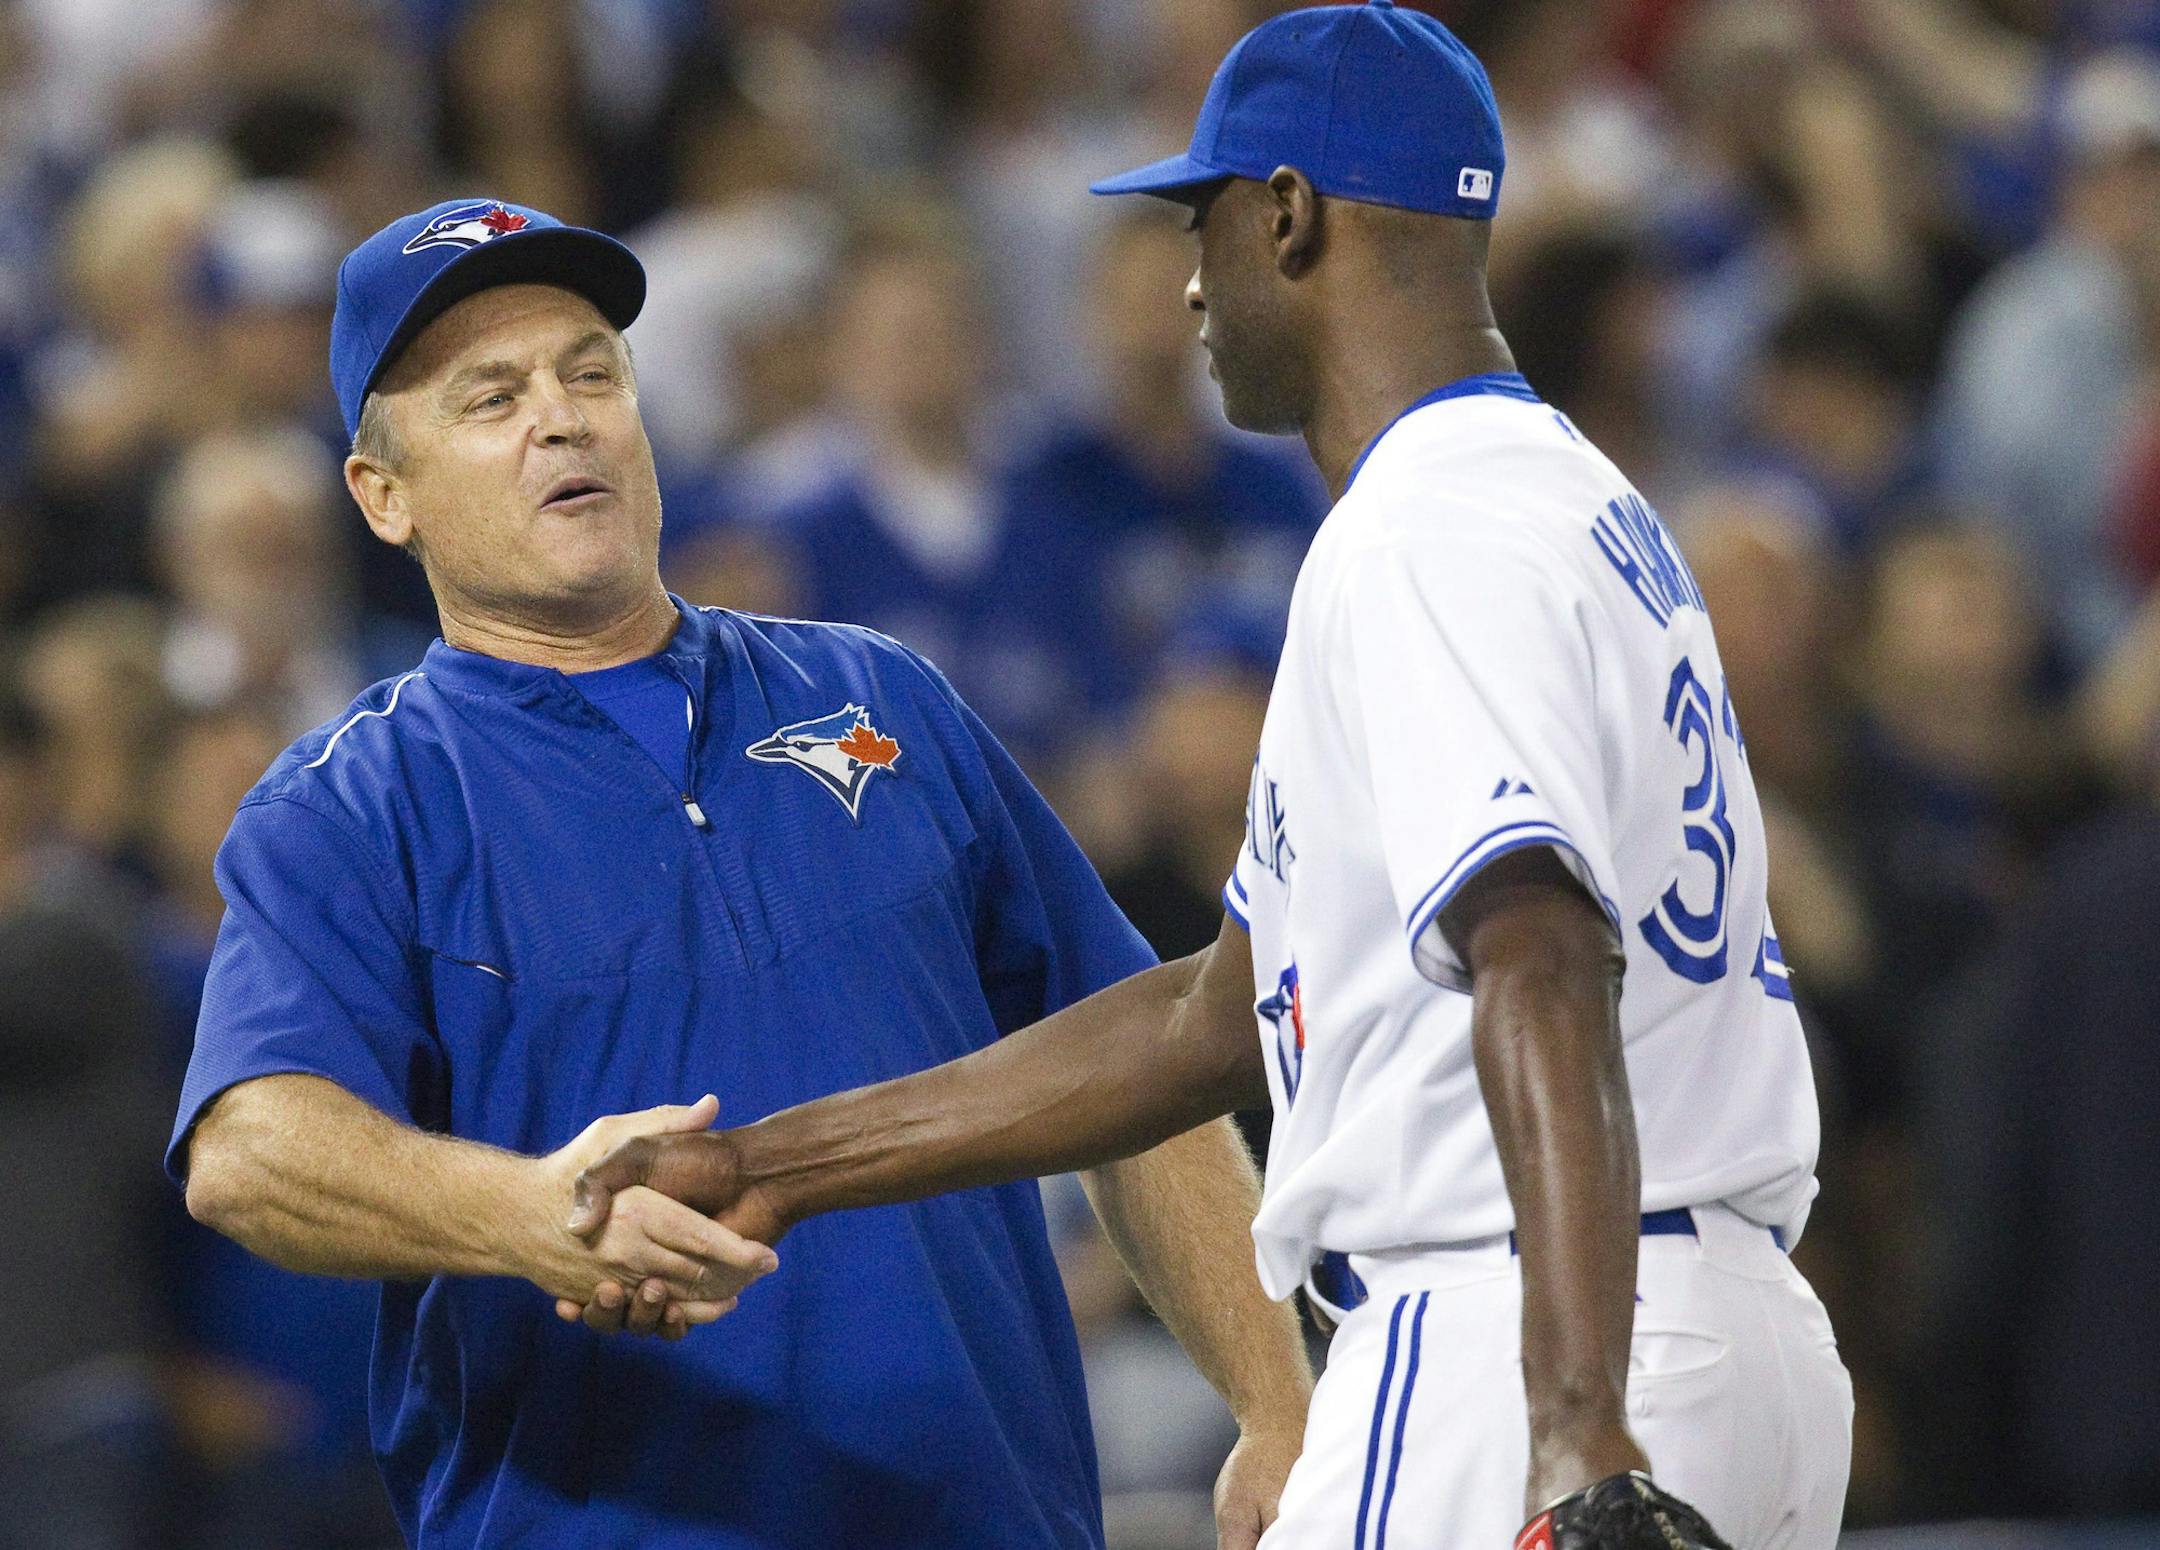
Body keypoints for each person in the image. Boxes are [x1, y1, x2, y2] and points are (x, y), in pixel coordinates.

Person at [573, 8, 1855, 1549]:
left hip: (1520, 1344)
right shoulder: (1576, 500)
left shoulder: (1425, 529)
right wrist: (774, 1164)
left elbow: (1538, 944)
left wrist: (1576, 1441)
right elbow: (1215, 1012)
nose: (1189, 279)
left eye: (1205, 219)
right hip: (1707, 1339)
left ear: (1290, 214)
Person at [168, 196, 1314, 1549]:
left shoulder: (879, 692)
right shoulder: (353, 808)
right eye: (490, 397)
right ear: (384, 492)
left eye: (592, 370)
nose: (563, 416)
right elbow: (248, 1149)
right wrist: (526, 1214)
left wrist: (1276, 1400)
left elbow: (1137, 1059)